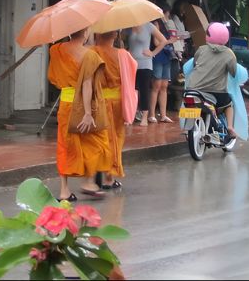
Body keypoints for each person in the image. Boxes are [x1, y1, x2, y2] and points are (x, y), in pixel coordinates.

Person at [48, 29, 112, 201]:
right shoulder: (89, 55)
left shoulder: (55, 50)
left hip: (65, 104)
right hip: (83, 106)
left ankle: (64, 191)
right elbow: (87, 85)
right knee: (97, 142)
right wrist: (88, 114)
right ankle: (88, 181)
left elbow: (53, 78)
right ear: (85, 33)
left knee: (65, 145)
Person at [92, 31, 137, 190]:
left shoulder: (92, 52)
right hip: (116, 102)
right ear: (116, 36)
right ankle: (109, 177)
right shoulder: (123, 55)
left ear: (97, 35)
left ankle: (95, 174)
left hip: (97, 101)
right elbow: (133, 71)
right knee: (114, 138)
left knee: (99, 138)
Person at [187, 22, 239, 139]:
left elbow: (195, 63)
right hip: (216, 93)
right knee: (229, 104)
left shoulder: (201, 50)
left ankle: (188, 127)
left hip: (192, 89)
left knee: (189, 104)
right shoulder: (229, 54)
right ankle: (230, 127)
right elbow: (233, 72)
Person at [125, 21, 169, 126]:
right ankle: (130, 115)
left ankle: (144, 117)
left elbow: (163, 40)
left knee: (144, 89)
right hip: (131, 63)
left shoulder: (149, 26)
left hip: (145, 63)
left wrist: (153, 53)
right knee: (132, 90)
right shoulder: (128, 27)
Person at [149, 2, 178, 124]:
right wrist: (168, 41)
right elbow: (156, 42)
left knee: (164, 86)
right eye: (167, 14)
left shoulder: (167, 25)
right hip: (158, 56)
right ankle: (151, 114)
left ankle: (163, 114)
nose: (167, 16)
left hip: (166, 57)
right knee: (156, 85)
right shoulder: (156, 23)